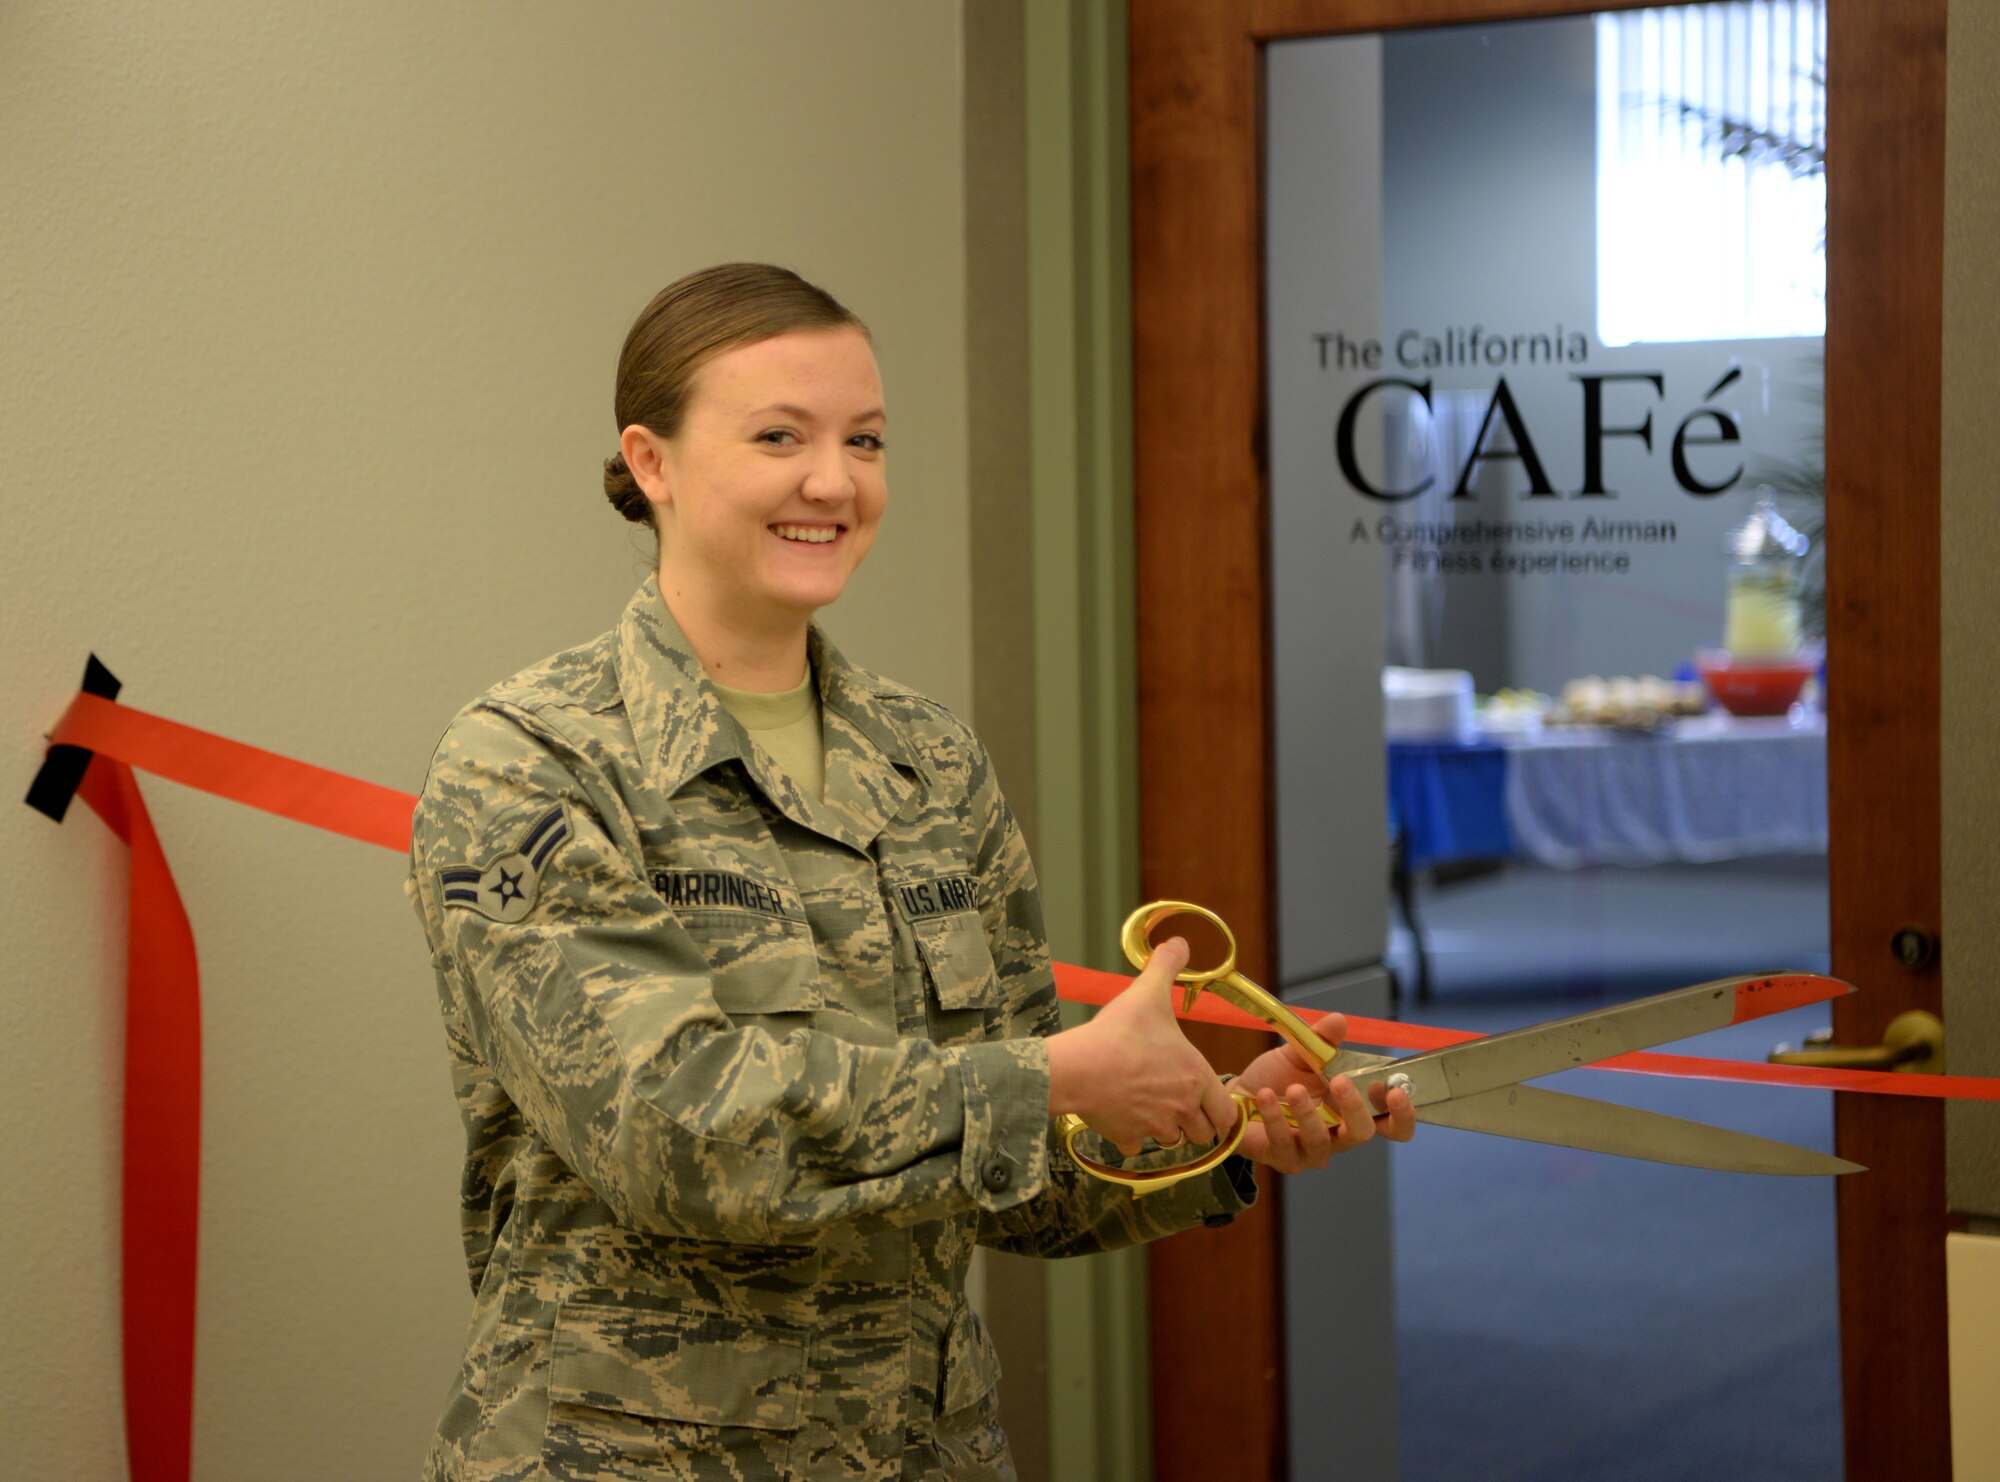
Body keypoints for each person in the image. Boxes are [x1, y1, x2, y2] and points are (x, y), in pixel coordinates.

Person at [408, 262, 1414, 1482]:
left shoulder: (926, 758)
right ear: (653, 461)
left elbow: (1020, 1182)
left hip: (919, 1449)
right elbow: (679, 1137)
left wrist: (1215, 1129)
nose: (833, 481)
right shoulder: (527, 761)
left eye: (865, 439)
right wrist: (1055, 1075)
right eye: (779, 435)